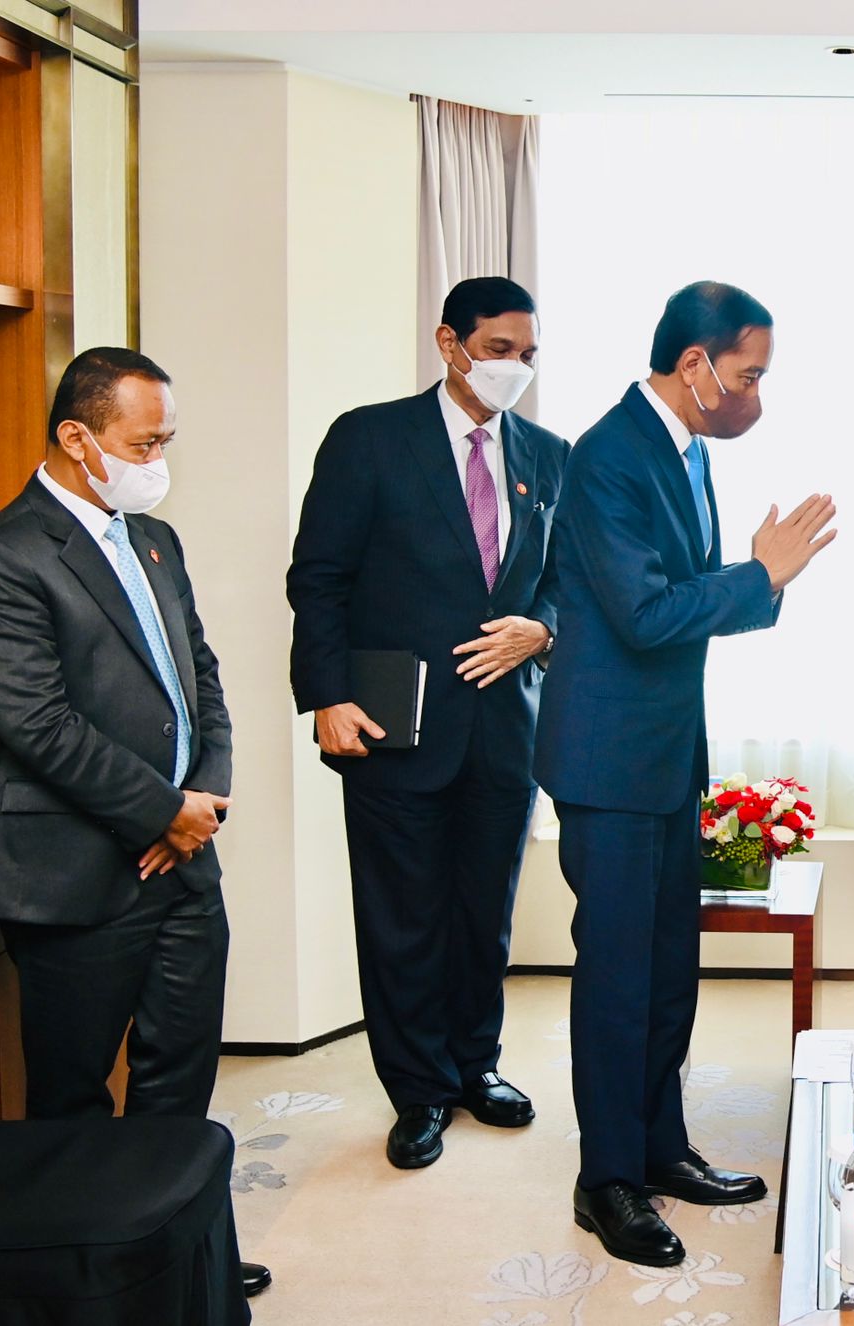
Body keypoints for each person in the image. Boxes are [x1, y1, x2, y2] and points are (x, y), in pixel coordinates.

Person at [0, 346, 269, 1300]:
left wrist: (202, 796)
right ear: (78, 437)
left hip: (185, 862)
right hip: (78, 871)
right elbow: (39, 724)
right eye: (145, 440)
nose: (159, 458)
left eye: (168, 438)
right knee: (75, 1094)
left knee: (179, 1076)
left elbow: (198, 676)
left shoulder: (155, 539)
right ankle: (86, 1276)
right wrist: (163, 810)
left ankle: (176, 1248)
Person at [534, 281, 836, 1266]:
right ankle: (607, 1181)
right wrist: (762, 576)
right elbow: (647, 615)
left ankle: (659, 1149)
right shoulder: (608, 456)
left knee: (668, 971)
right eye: (748, 373)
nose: (755, 392)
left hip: (664, 758)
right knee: (618, 979)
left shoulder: (689, 451)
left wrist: (753, 577)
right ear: (695, 363)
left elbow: (679, 606)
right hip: (607, 763)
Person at [287, 277, 569, 1170]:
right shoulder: (370, 439)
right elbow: (318, 578)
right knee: (402, 917)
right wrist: (325, 696)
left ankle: (475, 1068)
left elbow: (569, 580)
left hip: (504, 734)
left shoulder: (551, 455)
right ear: (450, 344)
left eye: (527, 355)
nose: (514, 369)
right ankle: (418, 1091)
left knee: (483, 917)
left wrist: (545, 628)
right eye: (498, 351)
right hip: (390, 726)